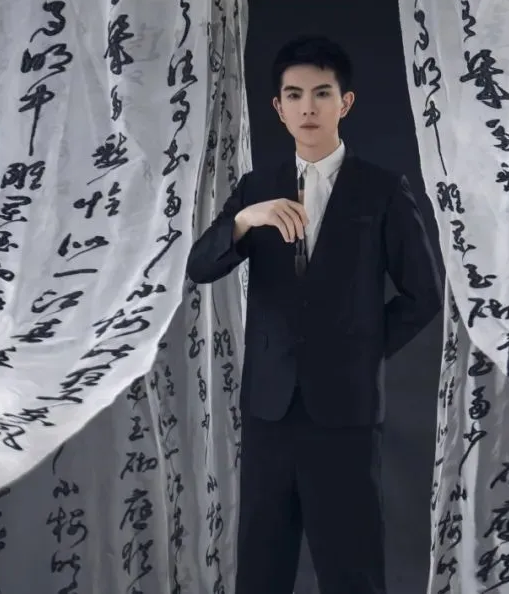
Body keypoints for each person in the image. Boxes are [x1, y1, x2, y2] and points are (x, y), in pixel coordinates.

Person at [186, 35, 442, 594]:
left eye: (322, 93)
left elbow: (424, 294)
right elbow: (200, 267)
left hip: (345, 411)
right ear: (278, 107)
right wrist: (244, 220)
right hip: (269, 410)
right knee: (262, 568)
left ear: (344, 103)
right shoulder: (257, 189)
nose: (308, 107)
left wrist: (362, 350)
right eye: (294, 95)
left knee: (353, 569)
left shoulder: (382, 190)